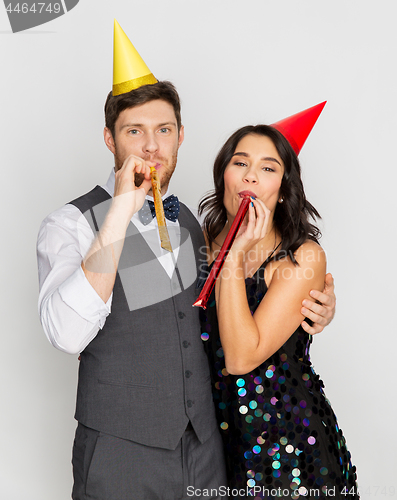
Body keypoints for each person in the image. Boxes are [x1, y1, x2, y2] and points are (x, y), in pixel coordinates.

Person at [36, 21, 336, 500]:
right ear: (111, 140)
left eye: (164, 130)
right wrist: (119, 214)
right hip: (121, 455)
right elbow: (66, 334)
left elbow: (238, 298)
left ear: (181, 137)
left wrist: (316, 299)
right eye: (134, 131)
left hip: (211, 449)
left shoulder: (197, 228)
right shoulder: (68, 224)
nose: (151, 146)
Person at [198, 117, 358, 499]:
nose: (251, 176)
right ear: (224, 175)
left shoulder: (302, 258)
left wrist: (234, 255)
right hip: (214, 445)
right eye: (240, 163)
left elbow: (240, 358)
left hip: (289, 447)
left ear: (283, 191)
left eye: (268, 168)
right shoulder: (195, 243)